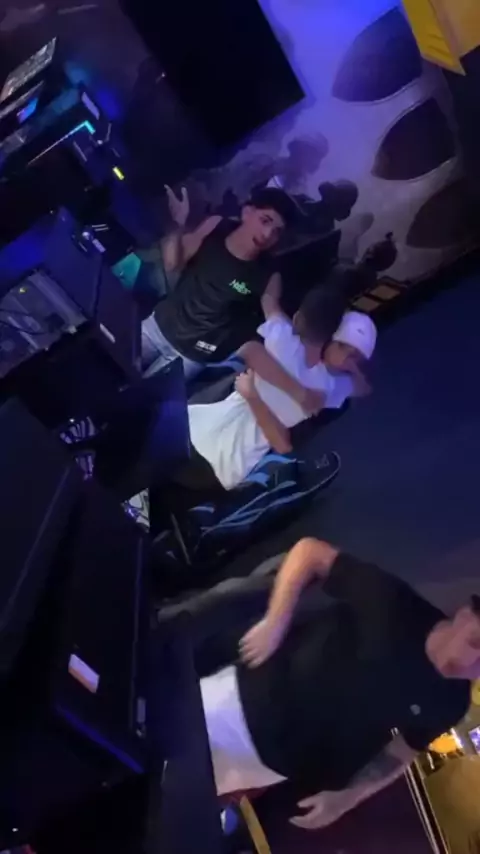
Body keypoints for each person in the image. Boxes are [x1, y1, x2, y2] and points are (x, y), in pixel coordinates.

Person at [200, 540, 477, 830]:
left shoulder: (453, 701)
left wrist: (348, 798)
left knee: (182, 794)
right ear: (465, 613)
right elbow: (309, 552)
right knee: (170, 741)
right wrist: (275, 622)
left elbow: (403, 751)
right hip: (240, 702)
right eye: (475, 643)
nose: (469, 663)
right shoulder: (395, 606)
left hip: (272, 765)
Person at [176, 291, 376, 501]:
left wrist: (255, 396)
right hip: (205, 437)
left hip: (214, 455)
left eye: (353, 356)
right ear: (329, 337)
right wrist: (351, 369)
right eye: (342, 347)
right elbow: (363, 388)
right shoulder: (330, 386)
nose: (344, 358)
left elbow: (268, 302)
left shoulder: (293, 349)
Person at [141, 184, 296, 379]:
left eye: (277, 232)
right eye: (265, 221)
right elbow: (173, 264)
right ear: (247, 212)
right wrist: (177, 224)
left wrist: (297, 342)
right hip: (159, 326)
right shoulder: (216, 226)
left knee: (141, 397)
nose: (267, 234)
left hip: (190, 356)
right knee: (108, 364)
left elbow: (273, 312)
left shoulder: (268, 273)